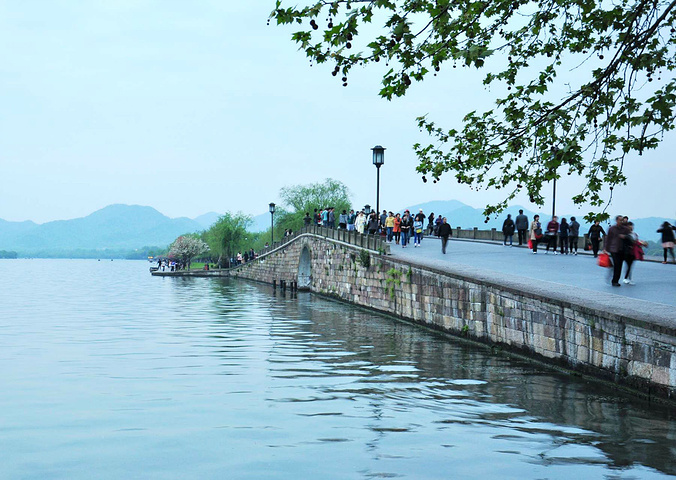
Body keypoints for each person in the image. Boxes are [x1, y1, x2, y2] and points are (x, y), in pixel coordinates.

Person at [605, 215, 630, 286]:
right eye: (620, 220)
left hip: (622, 249)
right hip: (614, 249)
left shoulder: (625, 229)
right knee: (617, 264)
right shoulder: (612, 229)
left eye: (622, 220)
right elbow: (608, 239)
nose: (621, 221)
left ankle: (616, 279)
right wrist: (605, 248)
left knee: (619, 265)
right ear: (616, 221)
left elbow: (629, 238)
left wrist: (625, 237)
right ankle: (614, 281)